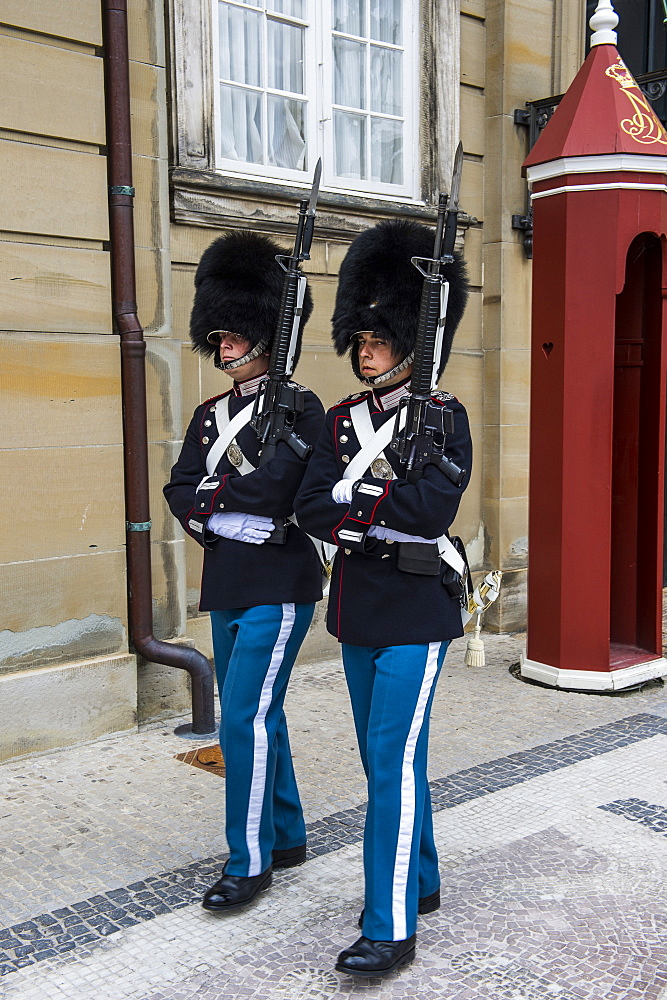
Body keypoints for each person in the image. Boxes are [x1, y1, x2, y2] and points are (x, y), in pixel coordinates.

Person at [294, 219, 471, 977]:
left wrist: (353, 506)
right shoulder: (338, 422)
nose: (363, 349)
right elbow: (308, 507)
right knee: (384, 761)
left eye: (377, 337)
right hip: (358, 611)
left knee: (392, 764)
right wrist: (373, 506)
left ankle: (389, 924)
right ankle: (421, 878)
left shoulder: (443, 417)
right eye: (358, 338)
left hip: (415, 614)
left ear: (409, 339)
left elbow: (431, 511)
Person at [164, 231, 325, 913]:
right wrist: (220, 517)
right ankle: (285, 835)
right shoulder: (209, 416)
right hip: (227, 580)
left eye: (234, 334)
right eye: (219, 335)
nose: (223, 344)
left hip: (279, 582)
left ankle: (249, 860)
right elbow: (179, 488)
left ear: (265, 333)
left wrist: (217, 502)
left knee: (240, 723)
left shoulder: (303, 407)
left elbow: (283, 488)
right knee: (261, 713)